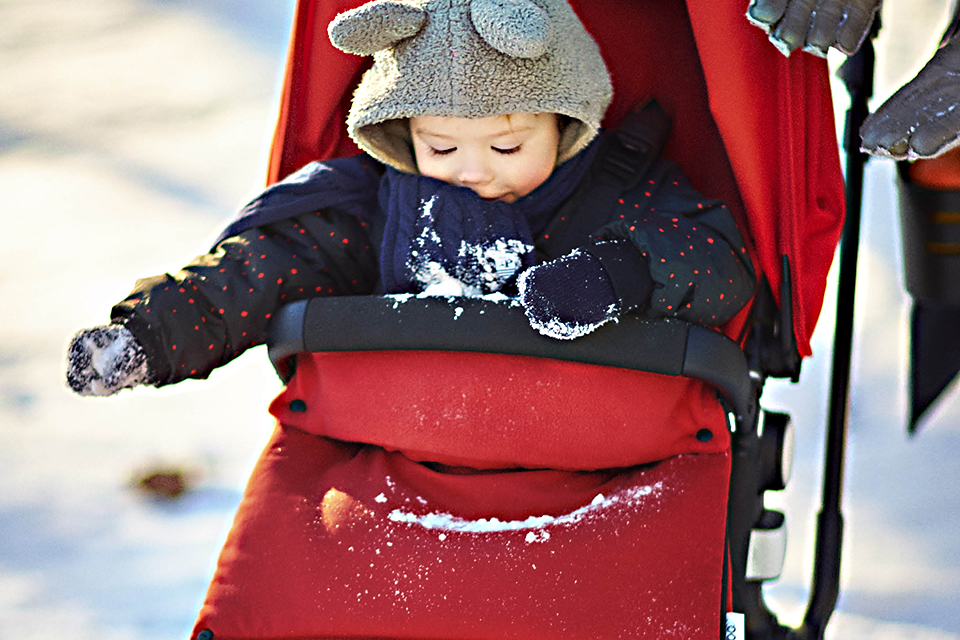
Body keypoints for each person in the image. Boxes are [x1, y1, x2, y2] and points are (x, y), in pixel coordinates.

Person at [65, 0, 754, 397]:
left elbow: (718, 262)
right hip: (404, 445)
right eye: (441, 148)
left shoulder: (626, 189)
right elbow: (265, 267)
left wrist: (616, 275)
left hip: (597, 447)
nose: (472, 171)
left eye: (507, 147)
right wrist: (150, 335)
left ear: (567, 123)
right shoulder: (380, 208)